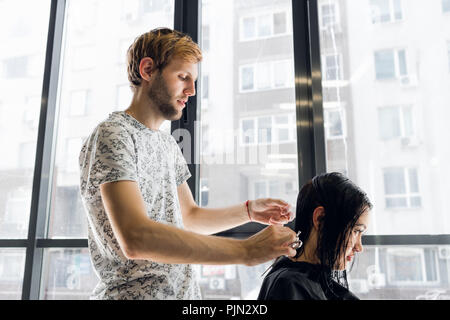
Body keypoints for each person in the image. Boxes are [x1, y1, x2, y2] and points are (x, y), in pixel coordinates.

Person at [79, 27, 298, 300]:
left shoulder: (168, 144)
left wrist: (249, 211)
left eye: (193, 80)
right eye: (183, 77)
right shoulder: (113, 135)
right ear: (147, 70)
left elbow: (189, 218)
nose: (191, 90)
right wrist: (246, 251)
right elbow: (136, 237)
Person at [257, 172, 373, 300]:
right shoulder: (288, 286)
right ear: (320, 219)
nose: (359, 247)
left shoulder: (313, 281)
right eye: (356, 231)